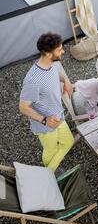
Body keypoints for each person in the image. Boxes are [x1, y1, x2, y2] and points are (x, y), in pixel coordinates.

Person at [19, 32, 74, 172]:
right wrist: (44, 120)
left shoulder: (51, 65)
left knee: (68, 141)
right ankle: (49, 174)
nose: (63, 51)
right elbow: (23, 107)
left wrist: (66, 81)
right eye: (60, 50)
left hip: (58, 117)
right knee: (51, 150)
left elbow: (56, 73)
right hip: (45, 125)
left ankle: (50, 169)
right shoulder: (33, 80)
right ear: (49, 54)